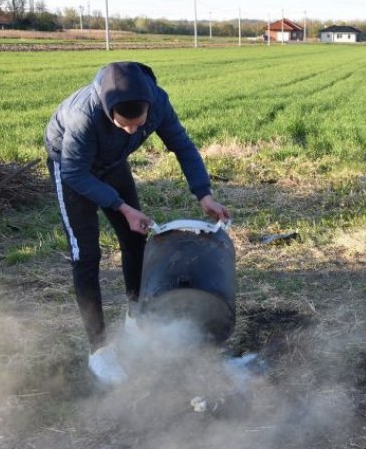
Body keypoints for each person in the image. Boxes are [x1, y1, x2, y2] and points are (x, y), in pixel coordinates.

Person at [45, 61, 230, 386]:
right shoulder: (83, 117)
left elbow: (183, 146)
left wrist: (205, 194)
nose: (132, 131)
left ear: (148, 108)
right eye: (123, 125)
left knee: (135, 241)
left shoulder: (157, 101)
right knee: (86, 255)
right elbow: (75, 173)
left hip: (112, 162)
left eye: (138, 125)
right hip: (71, 168)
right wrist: (121, 206)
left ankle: (136, 317)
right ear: (107, 112)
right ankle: (99, 350)